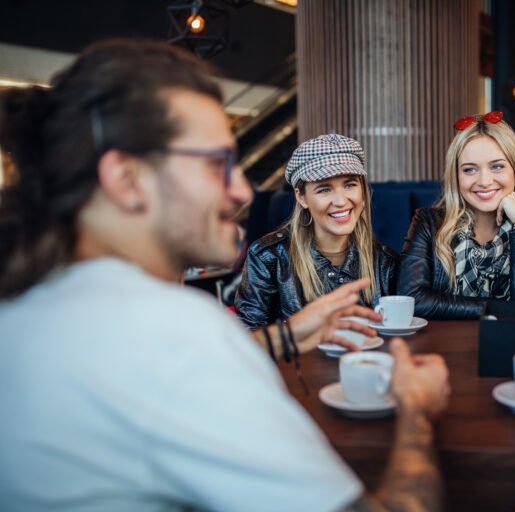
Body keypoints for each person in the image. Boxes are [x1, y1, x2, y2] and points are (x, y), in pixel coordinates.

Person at [0, 39, 450, 512]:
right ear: (127, 180)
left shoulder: (25, 300)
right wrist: (417, 410)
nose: (241, 190)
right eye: (218, 165)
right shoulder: (180, 332)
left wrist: (284, 337)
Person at [398, 112, 515, 319]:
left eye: (497, 166)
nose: (485, 181)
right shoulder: (428, 223)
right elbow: (411, 300)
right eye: (470, 170)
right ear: (456, 177)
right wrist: (493, 309)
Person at [235, 133, 398, 328]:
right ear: (301, 197)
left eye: (349, 185)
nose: (341, 201)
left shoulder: (385, 262)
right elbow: (248, 338)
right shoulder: (268, 257)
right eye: (324, 189)